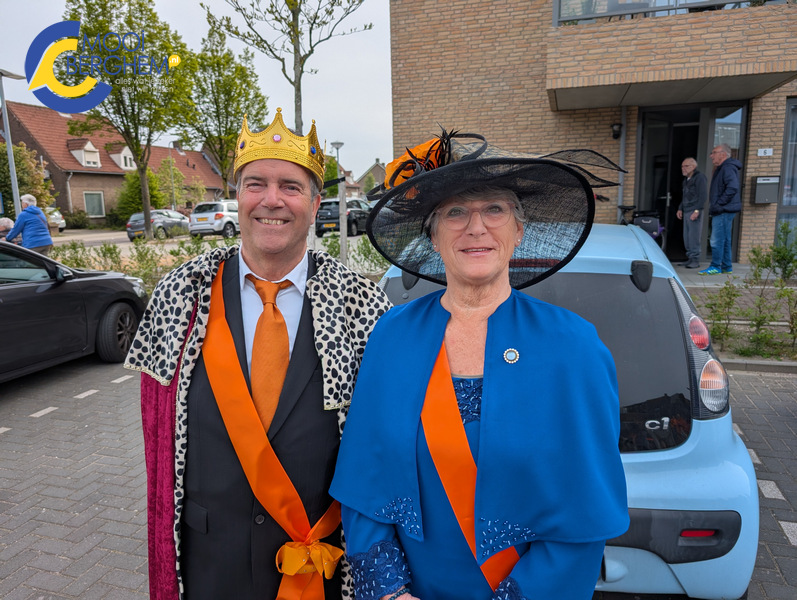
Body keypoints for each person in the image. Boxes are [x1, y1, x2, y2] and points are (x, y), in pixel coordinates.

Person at [331, 132, 629, 600]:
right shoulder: (392, 336)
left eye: (494, 209)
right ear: (433, 236)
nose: (476, 228)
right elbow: (363, 482)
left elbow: (585, 512)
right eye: (455, 212)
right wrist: (390, 592)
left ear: (519, 231)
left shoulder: (572, 346)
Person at [124, 108, 392, 600]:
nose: (272, 200)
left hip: (321, 567)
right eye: (256, 184)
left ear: (315, 204)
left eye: (290, 186)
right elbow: (158, 434)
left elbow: (384, 446)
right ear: (237, 197)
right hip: (208, 565)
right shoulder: (181, 295)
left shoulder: (363, 304)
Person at [700, 143, 742, 275]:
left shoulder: (727, 168)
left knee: (716, 239)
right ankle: (726, 266)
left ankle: (715, 266)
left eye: (714, 152)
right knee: (725, 239)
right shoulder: (724, 167)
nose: (711, 156)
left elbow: (732, 187)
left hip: (723, 210)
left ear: (723, 154)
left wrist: (719, 204)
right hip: (725, 209)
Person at [676, 157, 707, 268]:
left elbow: (702, 196)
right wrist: (680, 208)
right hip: (686, 210)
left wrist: (697, 210)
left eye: (686, 166)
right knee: (687, 237)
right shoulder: (686, 180)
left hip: (694, 211)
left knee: (694, 236)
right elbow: (684, 196)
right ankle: (690, 258)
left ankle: (695, 260)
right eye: (682, 166)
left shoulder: (699, 178)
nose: (683, 168)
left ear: (693, 167)